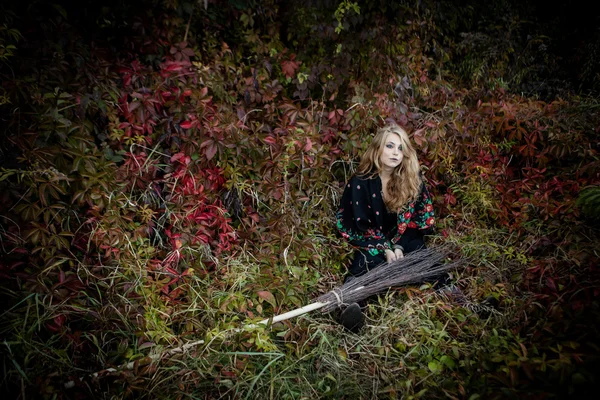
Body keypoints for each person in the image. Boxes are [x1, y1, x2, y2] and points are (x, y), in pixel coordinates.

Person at [335, 122, 436, 332]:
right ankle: (350, 309)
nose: (395, 153)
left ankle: (459, 300)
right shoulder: (360, 182)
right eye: (390, 146)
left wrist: (399, 246)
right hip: (372, 236)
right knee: (367, 260)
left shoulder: (412, 180)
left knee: (423, 256)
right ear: (377, 149)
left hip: (404, 236)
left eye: (400, 148)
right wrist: (385, 248)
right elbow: (359, 223)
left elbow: (419, 218)